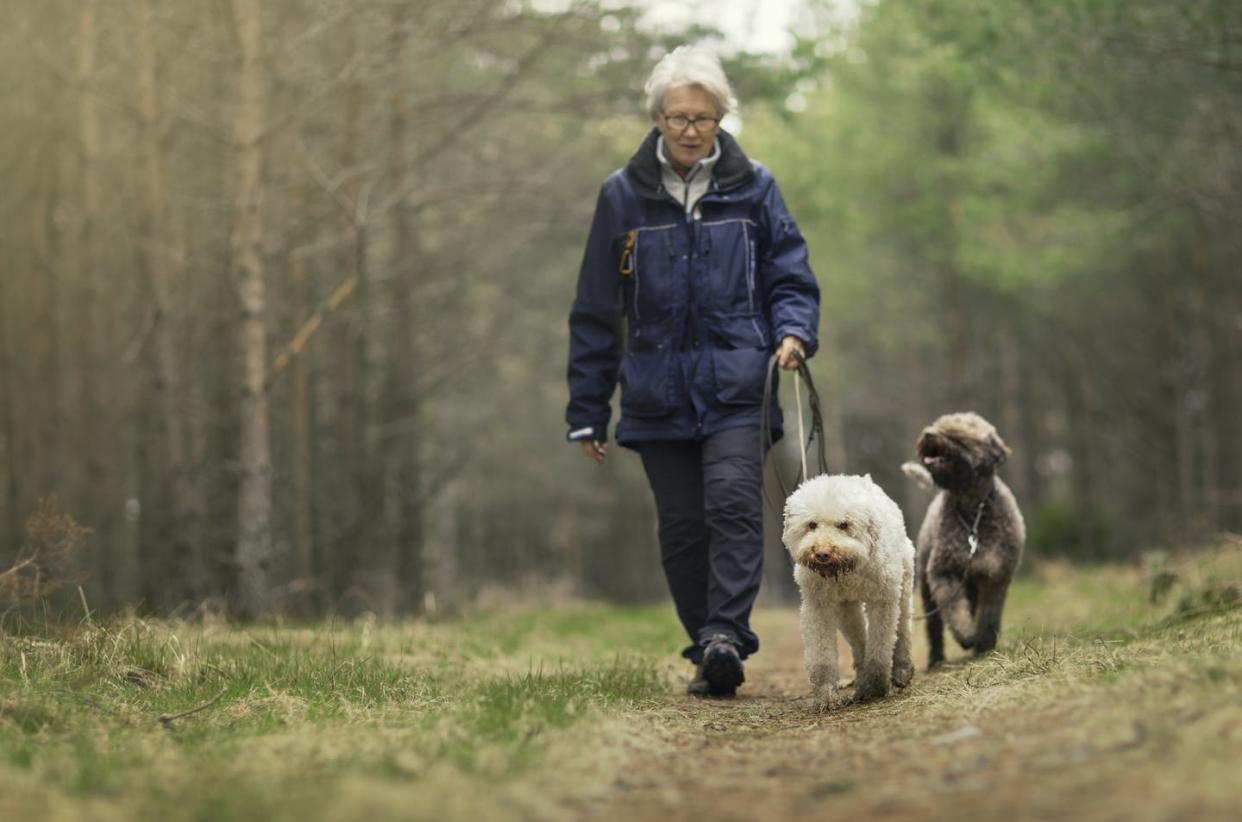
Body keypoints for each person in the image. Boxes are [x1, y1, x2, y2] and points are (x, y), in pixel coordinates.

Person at [565, 44, 820, 697]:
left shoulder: (755, 187)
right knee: (681, 525)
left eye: (702, 118)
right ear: (657, 119)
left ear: (719, 120)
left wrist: (793, 330)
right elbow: (597, 309)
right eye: (677, 117)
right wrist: (588, 409)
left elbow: (790, 272)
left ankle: (725, 635)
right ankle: (707, 644)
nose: (689, 130)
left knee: (733, 504)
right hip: (654, 391)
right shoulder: (620, 198)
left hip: (739, 383)